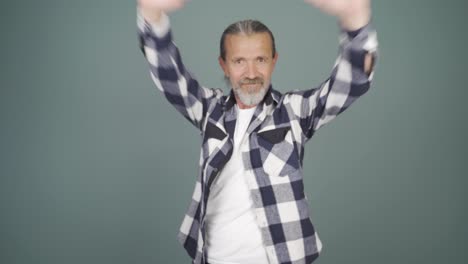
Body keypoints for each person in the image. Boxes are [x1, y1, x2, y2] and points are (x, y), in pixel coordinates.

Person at [136, 0, 378, 263]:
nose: (251, 73)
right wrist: (152, 14)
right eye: (239, 61)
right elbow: (170, 77)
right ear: (224, 66)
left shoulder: (293, 112)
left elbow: (351, 83)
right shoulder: (209, 110)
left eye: (260, 59)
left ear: (274, 61)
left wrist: (356, 19)